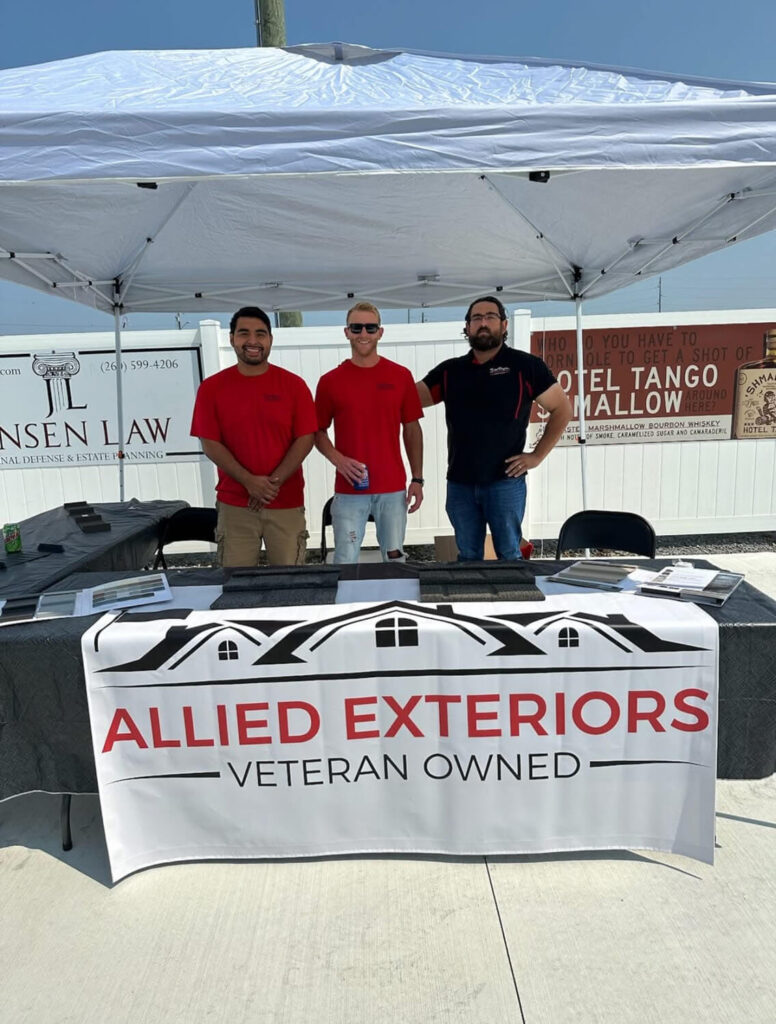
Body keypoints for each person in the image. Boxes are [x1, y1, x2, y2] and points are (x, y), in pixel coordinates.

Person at [417, 295, 572, 561]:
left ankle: (514, 603)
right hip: (460, 483)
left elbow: (563, 409)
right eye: (476, 318)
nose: (483, 323)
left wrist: (536, 457)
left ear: (504, 325)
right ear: (467, 328)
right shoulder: (450, 372)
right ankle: (470, 604)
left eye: (490, 316)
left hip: (505, 483)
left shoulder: (526, 367)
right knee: (467, 556)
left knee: (510, 555)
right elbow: (406, 400)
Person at [191, 305, 317, 566]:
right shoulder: (211, 389)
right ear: (231, 339)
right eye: (244, 333)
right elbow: (210, 443)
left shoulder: (294, 386)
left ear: (270, 339)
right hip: (236, 505)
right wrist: (248, 481)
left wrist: (270, 485)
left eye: (260, 334)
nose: (252, 341)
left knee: (290, 587)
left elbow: (306, 438)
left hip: (285, 503)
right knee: (235, 587)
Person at [315, 301, 424, 563]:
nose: (363, 333)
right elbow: (317, 431)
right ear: (347, 332)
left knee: (395, 558)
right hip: (349, 490)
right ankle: (345, 607)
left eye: (370, 327)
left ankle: (396, 603)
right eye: (357, 327)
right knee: (345, 559)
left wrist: (417, 479)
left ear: (380, 332)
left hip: (392, 488)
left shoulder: (400, 376)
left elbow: (412, 429)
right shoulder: (330, 381)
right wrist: (338, 459)